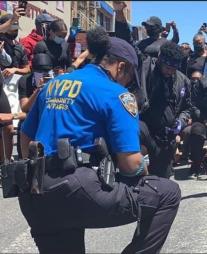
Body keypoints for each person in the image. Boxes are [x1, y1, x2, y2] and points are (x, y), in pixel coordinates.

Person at [18, 27, 181, 254]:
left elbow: (25, 134)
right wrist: (145, 171)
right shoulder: (117, 94)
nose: (127, 85)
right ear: (121, 66)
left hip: (34, 194)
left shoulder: (54, 84)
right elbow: (130, 164)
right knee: (168, 192)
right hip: (77, 188)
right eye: (129, 79)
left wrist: (36, 175)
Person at [139, 41, 192, 178]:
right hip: (145, 131)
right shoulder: (146, 70)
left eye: (174, 69)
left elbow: (188, 108)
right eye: (167, 67)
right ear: (160, 60)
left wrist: (181, 122)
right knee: (138, 177)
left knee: (162, 180)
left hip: (166, 137)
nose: (170, 71)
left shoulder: (183, 81)